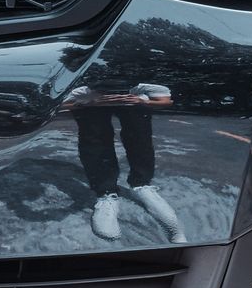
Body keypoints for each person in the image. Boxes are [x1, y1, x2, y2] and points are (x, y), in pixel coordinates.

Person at [68, 82, 186, 243]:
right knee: (94, 138)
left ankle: (142, 185)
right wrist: (90, 100)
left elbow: (166, 100)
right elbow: (61, 103)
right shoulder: (86, 84)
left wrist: (142, 101)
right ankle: (106, 193)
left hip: (136, 101)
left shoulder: (139, 81)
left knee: (140, 137)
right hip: (92, 100)